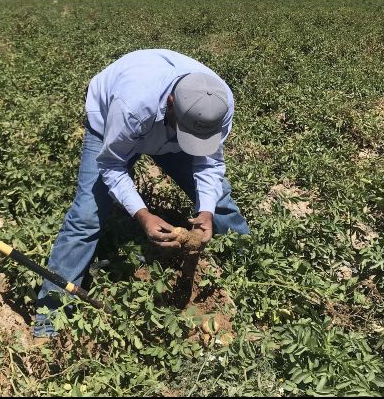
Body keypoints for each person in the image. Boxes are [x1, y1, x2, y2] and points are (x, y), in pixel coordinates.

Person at [33, 48, 250, 338]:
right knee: (86, 216)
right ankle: (49, 324)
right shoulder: (132, 104)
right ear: (171, 103)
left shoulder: (218, 103)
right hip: (113, 125)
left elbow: (209, 162)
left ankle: (250, 272)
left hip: (164, 129)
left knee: (219, 200)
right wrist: (142, 214)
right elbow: (112, 164)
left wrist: (206, 211)